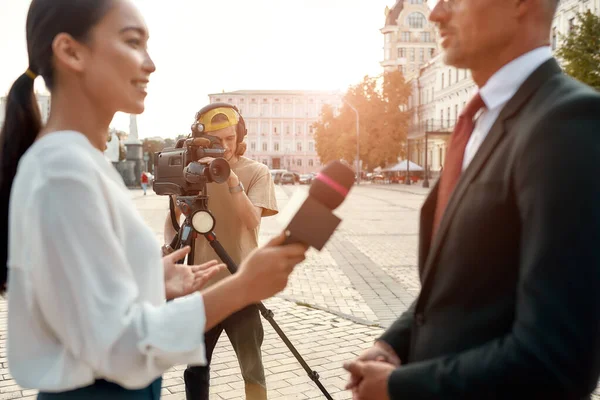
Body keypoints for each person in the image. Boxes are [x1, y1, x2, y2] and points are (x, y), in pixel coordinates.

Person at [0, 0, 307, 398]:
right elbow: (117, 347)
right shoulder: (63, 170)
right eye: (132, 42)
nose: (150, 63)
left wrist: (146, 279)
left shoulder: (76, 162)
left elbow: (88, 306)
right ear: (71, 51)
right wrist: (243, 287)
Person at [343, 0, 600, 398]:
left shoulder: (567, 123)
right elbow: (461, 283)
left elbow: (555, 360)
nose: (436, 14)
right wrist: (394, 344)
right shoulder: (481, 121)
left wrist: (400, 387)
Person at [163, 103, 278, 400]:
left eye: (230, 139)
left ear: (240, 135)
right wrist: (169, 249)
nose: (225, 147)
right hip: (202, 289)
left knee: (252, 369)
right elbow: (175, 220)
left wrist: (230, 179)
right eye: (217, 141)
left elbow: (252, 219)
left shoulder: (256, 172)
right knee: (196, 369)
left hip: (242, 283)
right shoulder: (195, 174)